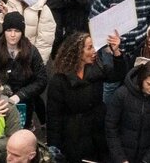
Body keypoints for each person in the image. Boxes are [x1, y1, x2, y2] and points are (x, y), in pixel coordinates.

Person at [47, 31, 129, 163]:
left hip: (97, 133)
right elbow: (53, 117)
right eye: (89, 48)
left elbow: (118, 75)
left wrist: (116, 52)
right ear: (77, 52)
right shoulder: (59, 80)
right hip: (73, 137)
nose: (94, 51)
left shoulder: (97, 68)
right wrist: (54, 147)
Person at [0, 11, 47, 127]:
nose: (12, 35)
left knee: (20, 134)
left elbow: (42, 80)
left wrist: (20, 95)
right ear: (4, 31)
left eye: (17, 31)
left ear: (22, 32)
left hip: (24, 103)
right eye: (9, 30)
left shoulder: (32, 52)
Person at [106, 61, 150, 163]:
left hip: (148, 155)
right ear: (141, 79)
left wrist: (149, 159)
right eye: (149, 84)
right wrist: (120, 158)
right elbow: (111, 127)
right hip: (123, 153)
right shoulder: (122, 94)